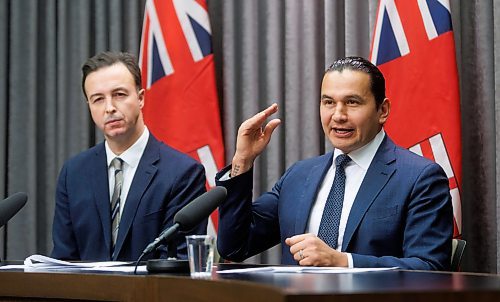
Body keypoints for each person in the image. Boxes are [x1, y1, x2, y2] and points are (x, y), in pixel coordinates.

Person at [215, 56, 453, 270]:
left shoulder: (419, 177)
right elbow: (234, 247)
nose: (338, 115)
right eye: (328, 102)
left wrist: (342, 261)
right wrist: (242, 161)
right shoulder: (299, 175)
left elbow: (428, 268)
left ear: (383, 110)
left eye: (352, 102)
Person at [51, 51, 207, 261]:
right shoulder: (74, 173)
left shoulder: (182, 173)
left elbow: (177, 263)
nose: (109, 108)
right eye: (98, 99)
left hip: (151, 293)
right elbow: (63, 260)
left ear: (141, 98)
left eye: (119, 95)